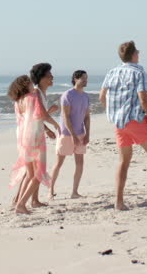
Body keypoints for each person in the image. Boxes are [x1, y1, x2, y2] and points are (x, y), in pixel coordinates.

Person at [100, 41, 147, 210]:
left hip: (118, 122)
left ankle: (118, 201)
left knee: (123, 160)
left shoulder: (112, 72)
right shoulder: (139, 72)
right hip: (135, 119)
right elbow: (143, 98)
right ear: (134, 54)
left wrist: (112, 112)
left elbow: (102, 96)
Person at [8, 75, 60, 214]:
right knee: (38, 174)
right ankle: (21, 204)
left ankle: (19, 202)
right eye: (30, 82)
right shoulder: (33, 96)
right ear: (26, 85)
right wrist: (54, 123)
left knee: (31, 174)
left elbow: (30, 118)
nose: (33, 84)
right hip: (35, 138)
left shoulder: (18, 101)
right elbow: (40, 115)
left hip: (23, 138)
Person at [49, 70, 91, 199]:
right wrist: (72, 134)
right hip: (67, 134)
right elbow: (65, 116)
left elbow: (87, 117)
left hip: (80, 133)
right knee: (59, 163)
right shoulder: (67, 95)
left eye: (86, 78)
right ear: (75, 79)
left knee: (80, 163)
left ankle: (74, 192)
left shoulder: (85, 96)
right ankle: (50, 191)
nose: (85, 81)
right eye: (83, 78)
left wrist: (87, 134)